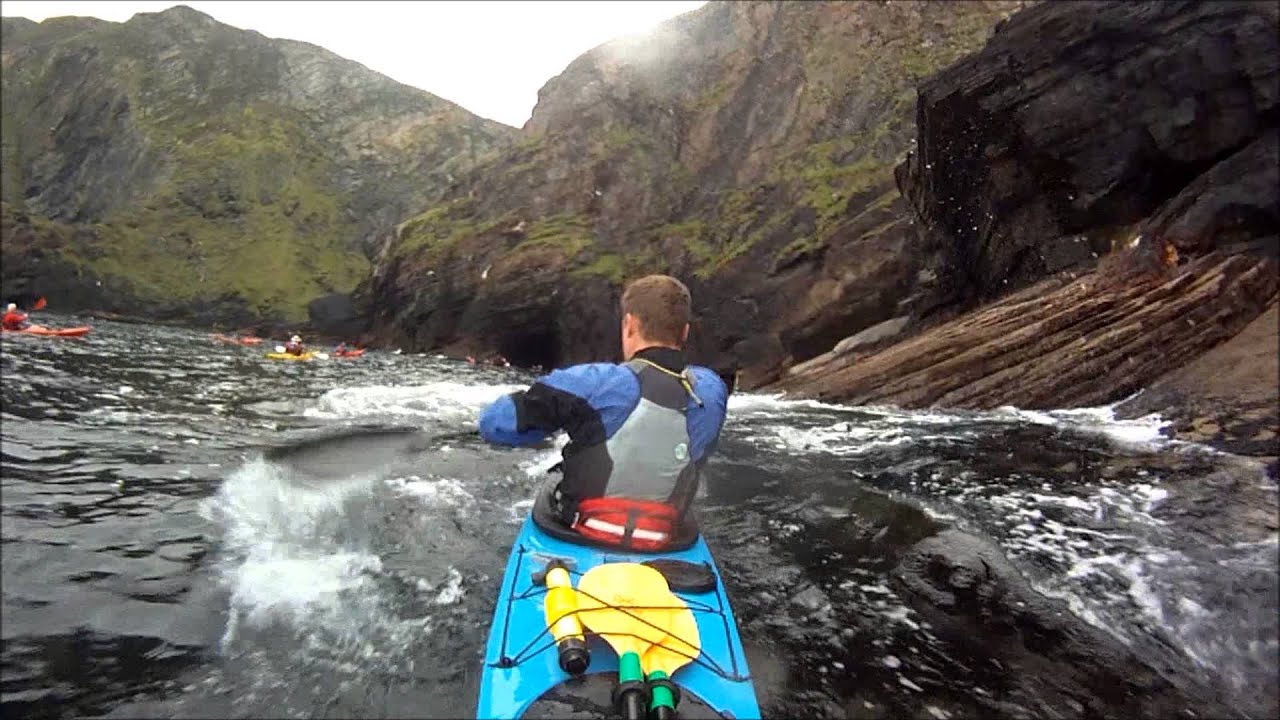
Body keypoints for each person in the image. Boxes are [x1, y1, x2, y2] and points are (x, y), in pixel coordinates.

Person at [478, 275, 728, 550]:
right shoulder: (711, 391)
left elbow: (495, 424)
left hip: (582, 529)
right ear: (685, 332)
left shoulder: (591, 382)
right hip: (664, 537)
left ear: (629, 325)